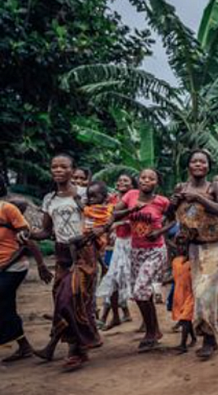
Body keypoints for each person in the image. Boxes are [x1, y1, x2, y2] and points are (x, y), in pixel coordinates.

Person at [31, 154, 102, 370]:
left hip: (83, 251)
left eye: (64, 166)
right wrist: (28, 234)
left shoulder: (85, 193)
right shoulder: (49, 199)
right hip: (62, 253)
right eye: (54, 166)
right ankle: (78, 345)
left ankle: (76, 349)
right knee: (60, 299)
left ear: (72, 170)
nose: (58, 170)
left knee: (70, 297)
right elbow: (45, 231)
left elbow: (104, 215)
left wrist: (97, 231)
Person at [171, 150, 218, 359]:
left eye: (202, 161)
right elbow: (171, 216)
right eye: (194, 161)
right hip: (194, 248)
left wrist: (199, 197)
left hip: (216, 246)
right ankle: (211, 335)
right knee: (204, 294)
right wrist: (174, 202)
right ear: (188, 165)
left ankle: (207, 338)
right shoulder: (181, 188)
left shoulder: (214, 187)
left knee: (204, 293)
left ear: (208, 166)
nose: (198, 164)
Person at [112, 168, 171, 352]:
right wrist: (131, 209)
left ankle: (151, 332)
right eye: (143, 177)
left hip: (155, 250)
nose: (146, 180)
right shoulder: (130, 195)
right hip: (136, 250)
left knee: (140, 290)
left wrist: (159, 231)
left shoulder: (163, 201)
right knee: (142, 294)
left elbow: (174, 220)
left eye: (151, 178)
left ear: (156, 182)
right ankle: (154, 330)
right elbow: (114, 213)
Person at [0, 186, 53, 363]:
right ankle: (23, 346)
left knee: (3, 303)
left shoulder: (7, 209)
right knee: (6, 306)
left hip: (13, 266)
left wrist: (40, 265)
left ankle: (20, 345)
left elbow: (27, 239)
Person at [96, 173, 136, 330]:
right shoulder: (112, 200)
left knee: (127, 279)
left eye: (125, 180)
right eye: (119, 180)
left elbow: (135, 218)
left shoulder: (135, 199)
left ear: (132, 185)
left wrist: (118, 223)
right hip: (115, 244)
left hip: (131, 242)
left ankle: (112, 315)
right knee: (113, 278)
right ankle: (114, 314)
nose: (121, 182)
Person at [170, 228, 197, 354]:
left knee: (186, 318)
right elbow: (176, 277)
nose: (181, 247)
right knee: (186, 319)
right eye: (179, 245)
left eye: (184, 245)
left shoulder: (193, 261)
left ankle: (183, 345)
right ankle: (193, 338)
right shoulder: (176, 261)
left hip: (191, 294)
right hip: (180, 295)